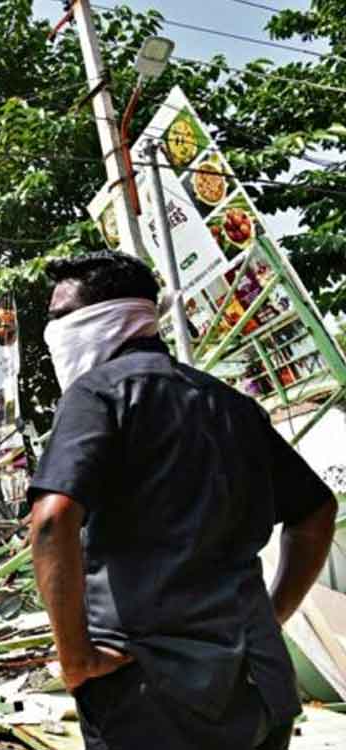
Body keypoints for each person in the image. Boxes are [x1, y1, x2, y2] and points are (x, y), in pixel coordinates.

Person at [28, 252, 337, 750]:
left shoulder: (97, 396)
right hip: (256, 683)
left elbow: (51, 520)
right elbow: (316, 511)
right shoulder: (230, 404)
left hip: (151, 695)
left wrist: (74, 658)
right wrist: (272, 614)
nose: (52, 334)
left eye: (60, 317)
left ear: (101, 320)